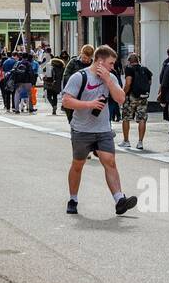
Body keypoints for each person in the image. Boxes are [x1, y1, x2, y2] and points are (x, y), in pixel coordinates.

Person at [61, 45, 135, 216]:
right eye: (110, 63)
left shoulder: (111, 77)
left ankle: (119, 200)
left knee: (109, 161)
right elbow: (66, 101)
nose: (112, 66)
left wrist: (109, 80)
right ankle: (73, 199)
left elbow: (121, 98)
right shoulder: (79, 77)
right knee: (78, 164)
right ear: (100, 61)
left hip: (103, 129)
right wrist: (89, 104)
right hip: (81, 129)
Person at [121, 52, 153, 149]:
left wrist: (123, 94)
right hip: (143, 97)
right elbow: (149, 82)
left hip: (131, 97)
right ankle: (140, 142)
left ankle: (126, 141)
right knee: (142, 119)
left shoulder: (129, 69)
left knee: (126, 118)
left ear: (129, 61)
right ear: (138, 60)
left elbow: (128, 83)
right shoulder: (145, 69)